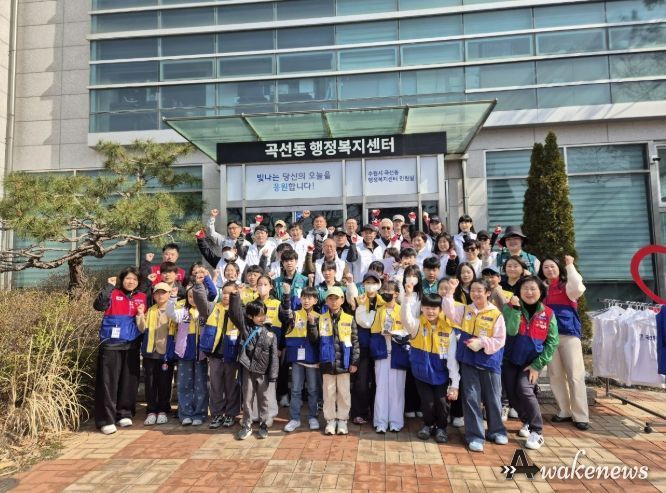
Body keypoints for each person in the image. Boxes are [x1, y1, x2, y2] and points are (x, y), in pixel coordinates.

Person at [442, 278, 507, 453]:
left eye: (480, 290)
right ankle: (475, 436)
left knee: (493, 398)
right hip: (469, 360)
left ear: (487, 293)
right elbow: (449, 311)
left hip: (489, 361)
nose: (476, 294)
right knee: (471, 398)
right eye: (473, 290)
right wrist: (450, 291)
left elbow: (500, 340)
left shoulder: (496, 314)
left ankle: (497, 431)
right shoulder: (465, 310)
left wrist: (483, 342)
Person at [502, 276, 559, 450]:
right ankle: (527, 421)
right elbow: (511, 330)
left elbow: (552, 342)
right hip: (510, 359)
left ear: (540, 292)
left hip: (532, 362)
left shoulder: (548, 313)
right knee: (511, 395)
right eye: (525, 288)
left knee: (524, 389)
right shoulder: (509, 308)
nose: (529, 292)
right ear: (518, 292)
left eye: (533, 288)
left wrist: (537, 365)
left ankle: (537, 431)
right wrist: (516, 309)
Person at [93, 268, 147, 435]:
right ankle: (106, 420)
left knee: (129, 381)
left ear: (138, 282)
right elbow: (99, 306)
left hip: (132, 344)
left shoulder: (142, 297)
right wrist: (109, 287)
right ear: (122, 280)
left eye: (134, 279)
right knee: (108, 383)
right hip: (111, 344)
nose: (131, 282)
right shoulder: (113, 293)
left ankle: (124, 413)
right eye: (128, 278)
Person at [402, 287, 459, 443]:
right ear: (422, 308)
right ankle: (427, 425)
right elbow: (405, 318)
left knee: (442, 403)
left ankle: (441, 428)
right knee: (427, 402)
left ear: (440, 309)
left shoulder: (448, 329)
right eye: (427, 308)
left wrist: (455, 383)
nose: (430, 311)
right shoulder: (416, 324)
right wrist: (407, 298)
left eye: (434, 308)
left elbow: (452, 359)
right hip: (421, 372)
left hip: (441, 373)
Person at [539, 255, 589, 431]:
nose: (549, 270)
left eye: (552, 266)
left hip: (569, 335)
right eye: (546, 267)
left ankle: (581, 415)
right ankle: (564, 411)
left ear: (558, 268)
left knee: (575, 376)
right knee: (555, 375)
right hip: (549, 338)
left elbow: (578, 287)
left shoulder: (567, 286)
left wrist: (570, 265)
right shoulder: (542, 289)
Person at [309, 286, 360, 435]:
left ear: (342, 300)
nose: (333, 301)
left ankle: (343, 420)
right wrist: (311, 325)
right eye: (330, 298)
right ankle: (330, 421)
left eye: (336, 298)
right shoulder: (320, 319)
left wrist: (354, 362)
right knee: (328, 394)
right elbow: (315, 341)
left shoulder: (349, 319)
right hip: (327, 363)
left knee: (344, 393)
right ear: (326, 301)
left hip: (344, 363)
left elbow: (355, 342)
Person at [228, 292, 279, 440]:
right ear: (250, 316)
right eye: (258, 315)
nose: (262, 318)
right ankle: (247, 425)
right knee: (247, 399)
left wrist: (273, 375)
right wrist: (235, 296)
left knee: (264, 399)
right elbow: (235, 314)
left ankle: (263, 424)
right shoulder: (245, 328)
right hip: (248, 369)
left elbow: (274, 356)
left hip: (263, 371)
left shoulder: (270, 333)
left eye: (264, 314)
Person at [167, 277, 213, 426]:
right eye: (190, 296)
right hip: (185, 352)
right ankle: (185, 413)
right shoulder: (183, 311)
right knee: (184, 384)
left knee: (201, 385)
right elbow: (171, 314)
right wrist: (172, 298)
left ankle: (199, 413)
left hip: (201, 353)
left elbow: (213, 294)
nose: (193, 299)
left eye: (196, 296)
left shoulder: (206, 312)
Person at [370, 280, 410, 433]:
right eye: (384, 291)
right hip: (382, 353)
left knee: (397, 389)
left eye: (389, 291)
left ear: (396, 294)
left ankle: (395, 422)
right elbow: (374, 332)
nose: (386, 293)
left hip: (398, 353)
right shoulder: (379, 311)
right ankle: (380, 422)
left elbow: (408, 331)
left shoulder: (402, 310)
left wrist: (396, 333)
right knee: (381, 388)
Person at [280, 286, 322, 432]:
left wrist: (312, 323)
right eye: (304, 297)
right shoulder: (295, 314)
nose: (306, 300)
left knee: (313, 389)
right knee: (296, 389)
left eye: (310, 298)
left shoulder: (320, 317)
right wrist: (287, 295)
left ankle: (313, 417)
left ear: (315, 300)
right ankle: (295, 418)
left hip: (313, 359)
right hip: (297, 358)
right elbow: (285, 313)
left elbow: (319, 340)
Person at [201, 281, 241, 429]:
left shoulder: (239, 310)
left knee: (231, 386)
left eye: (230, 293)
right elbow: (200, 300)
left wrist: (236, 302)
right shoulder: (213, 307)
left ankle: (231, 414)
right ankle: (217, 414)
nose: (226, 296)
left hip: (232, 355)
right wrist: (202, 281)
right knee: (216, 386)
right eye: (224, 293)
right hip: (215, 354)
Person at [136, 282, 176, 426]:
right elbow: (142, 329)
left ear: (169, 294)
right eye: (157, 293)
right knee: (150, 382)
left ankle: (163, 410)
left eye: (163, 292)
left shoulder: (173, 310)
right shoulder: (150, 310)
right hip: (150, 352)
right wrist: (140, 315)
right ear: (153, 295)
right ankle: (151, 410)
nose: (160, 295)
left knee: (165, 382)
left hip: (166, 352)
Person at [352, 272, 385, 425]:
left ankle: (377, 413)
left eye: (374, 282)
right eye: (367, 282)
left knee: (379, 382)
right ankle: (360, 413)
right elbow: (362, 323)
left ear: (379, 284)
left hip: (379, 345)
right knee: (362, 382)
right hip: (363, 346)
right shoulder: (358, 299)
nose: (370, 285)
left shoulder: (384, 301)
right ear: (363, 284)